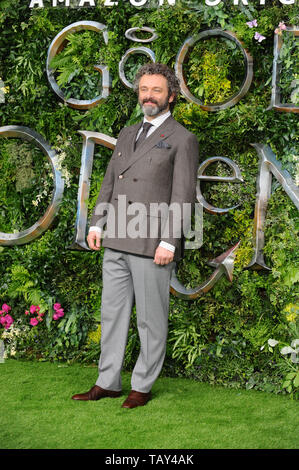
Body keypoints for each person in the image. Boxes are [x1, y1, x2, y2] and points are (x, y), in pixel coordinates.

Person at [72, 63, 199, 408]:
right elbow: (111, 181)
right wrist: (97, 223)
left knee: (150, 318)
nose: (148, 95)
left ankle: (142, 385)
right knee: (112, 313)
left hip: (152, 241)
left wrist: (170, 240)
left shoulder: (182, 138)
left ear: (171, 96)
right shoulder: (128, 133)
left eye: (156, 90)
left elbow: (183, 195)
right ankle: (108, 381)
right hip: (117, 236)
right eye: (144, 89)